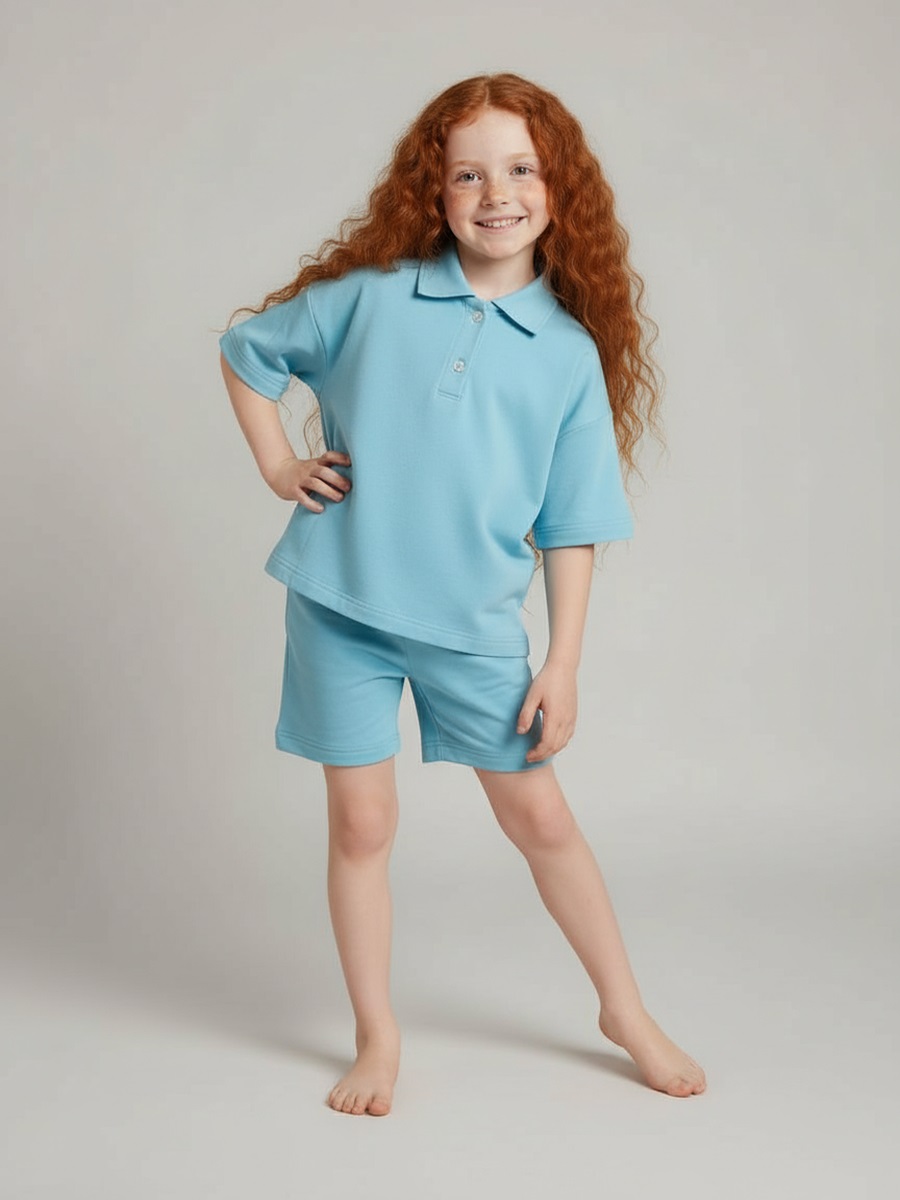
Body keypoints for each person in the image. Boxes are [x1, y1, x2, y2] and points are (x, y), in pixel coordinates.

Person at [218, 72, 706, 1116]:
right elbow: (248, 353)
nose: (497, 193)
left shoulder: (568, 357)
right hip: (340, 606)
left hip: (473, 629)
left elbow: (572, 525)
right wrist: (277, 466)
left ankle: (623, 1010)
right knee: (362, 825)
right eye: (469, 174)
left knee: (541, 819)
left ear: (559, 189)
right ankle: (377, 1035)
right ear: (432, 193)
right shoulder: (374, 297)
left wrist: (562, 663)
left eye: (522, 170)